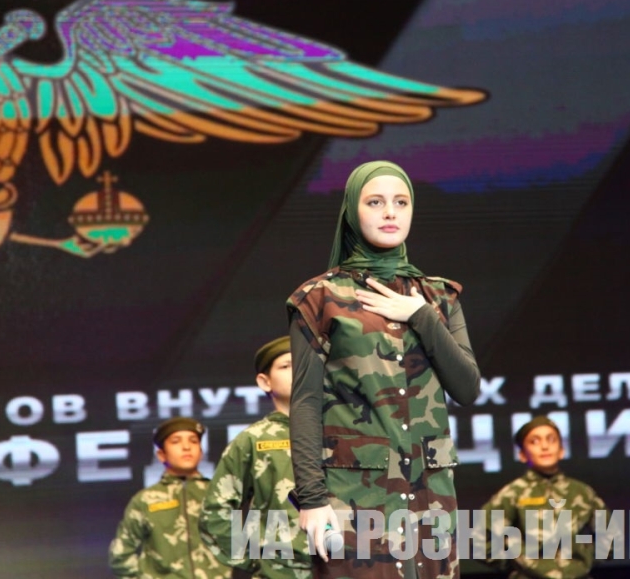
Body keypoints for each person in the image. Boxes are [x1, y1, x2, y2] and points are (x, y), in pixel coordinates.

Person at [286, 160, 481, 579]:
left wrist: (422, 316)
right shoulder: (320, 298)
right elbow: (305, 402)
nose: (390, 212)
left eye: (401, 202)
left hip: (430, 496)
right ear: (352, 212)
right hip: (355, 497)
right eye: (375, 202)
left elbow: (467, 388)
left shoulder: (439, 297)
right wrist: (312, 499)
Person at [200, 336, 312, 579]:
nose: (299, 370)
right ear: (265, 381)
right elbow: (215, 512)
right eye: (286, 365)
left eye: (305, 363)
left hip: (349, 568)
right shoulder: (252, 440)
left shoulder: (345, 431)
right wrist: (259, 558)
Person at [477, 416, 605, 579]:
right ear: (522, 454)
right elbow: (479, 540)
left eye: (551, 440)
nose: (545, 446)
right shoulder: (512, 493)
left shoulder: (582, 492)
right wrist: (517, 564)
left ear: (562, 450)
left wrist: (582, 561)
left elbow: (610, 537)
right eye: (534, 441)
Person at [109, 416, 230, 579]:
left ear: (201, 452)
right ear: (161, 455)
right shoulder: (145, 500)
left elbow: (251, 548)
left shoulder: (224, 494)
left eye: (194, 441)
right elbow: (120, 557)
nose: (186, 447)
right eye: (176, 441)